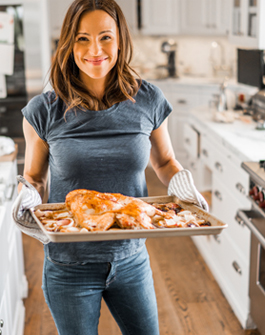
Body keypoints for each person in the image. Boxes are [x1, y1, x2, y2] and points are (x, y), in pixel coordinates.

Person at [11, 0, 207, 333]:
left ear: (120, 41)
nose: (95, 50)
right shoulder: (44, 111)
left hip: (131, 258)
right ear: (69, 44)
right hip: (69, 266)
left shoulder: (148, 99)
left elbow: (164, 161)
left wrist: (183, 188)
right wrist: (27, 196)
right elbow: (34, 177)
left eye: (105, 37)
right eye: (82, 38)